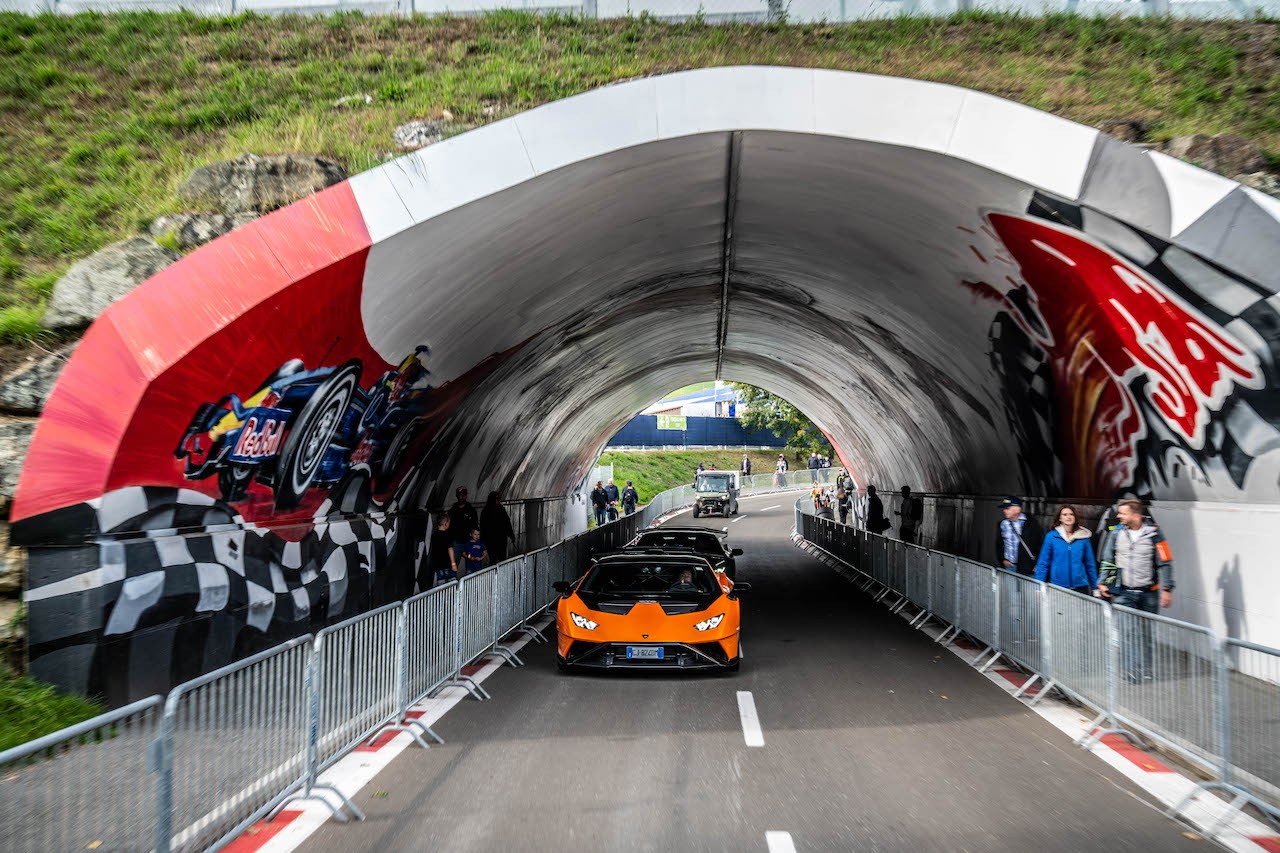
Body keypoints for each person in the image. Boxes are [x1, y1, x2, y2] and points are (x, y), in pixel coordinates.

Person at [1098, 498, 1175, 682]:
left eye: (1123, 513)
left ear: (1136, 514)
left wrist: (1167, 588)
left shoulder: (1155, 534)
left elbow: (1164, 562)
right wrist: (1105, 582)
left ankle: (1145, 670)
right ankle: (1132, 671)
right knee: (1127, 633)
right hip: (1124, 593)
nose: (1118, 516)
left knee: (1146, 633)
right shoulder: (1116, 532)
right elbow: (1108, 558)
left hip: (1149, 593)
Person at [1034, 504, 1097, 595]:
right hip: (1058, 586)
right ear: (1060, 518)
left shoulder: (1083, 537)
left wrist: (1095, 587)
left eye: (1071, 514)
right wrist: (1038, 586)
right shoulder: (1051, 537)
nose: (1068, 517)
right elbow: (1043, 563)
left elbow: (1090, 564)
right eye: (1065, 514)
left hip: (1081, 586)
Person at [996, 496, 1043, 575]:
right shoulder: (1002, 524)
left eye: (1007, 508)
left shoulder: (1031, 523)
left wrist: (1038, 563)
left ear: (1017, 509)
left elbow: (1040, 544)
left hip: (1028, 567)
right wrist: (1002, 560)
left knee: (1028, 587)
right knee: (1010, 587)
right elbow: (999, 544)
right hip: (1010, 567)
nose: (1004, 511)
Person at [421, 515, 457, 591]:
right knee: (452, 583)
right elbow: (450, 549)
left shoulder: (434, 535)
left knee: (441, 584)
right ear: (445, 524)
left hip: (438, 565)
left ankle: (442, 599)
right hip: (447, 564)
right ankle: (452, 598)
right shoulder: (447, 535)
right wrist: (453, 563)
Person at [480, 491, 515, 563]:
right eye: (497, 499)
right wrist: (482, 540)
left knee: (501, 559)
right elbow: (483, 527)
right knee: (493, 559)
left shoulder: (501, 509)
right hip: (491, 540)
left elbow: (507, 523)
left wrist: (511, 535)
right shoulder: (486, 512)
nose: (499, 501)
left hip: (500, 539)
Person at [448, 487, 478, 565]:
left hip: (469, 543)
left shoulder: (471, 511)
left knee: (471, 566)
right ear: (457, 496)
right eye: (460, 495)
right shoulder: (452, 511)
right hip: (456, 543)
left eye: (463, 495)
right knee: (454, 565)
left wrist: (475, 541)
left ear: (466, 496)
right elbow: (448, 527)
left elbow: (475, 526)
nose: (461, 497)